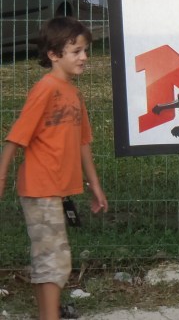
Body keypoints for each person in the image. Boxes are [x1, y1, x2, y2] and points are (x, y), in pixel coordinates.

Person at [0, 17, 108, 320]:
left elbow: (83, 143)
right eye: (76, 51)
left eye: (85, 51)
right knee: (55, 261)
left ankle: (48, 314)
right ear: (53, 54)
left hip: (56, 189)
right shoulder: (45, 89)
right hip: (40, 187)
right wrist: (2, 174)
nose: (84, 57)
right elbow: (16, 137)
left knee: (49, 259)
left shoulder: (73, 93)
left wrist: (95, 186)